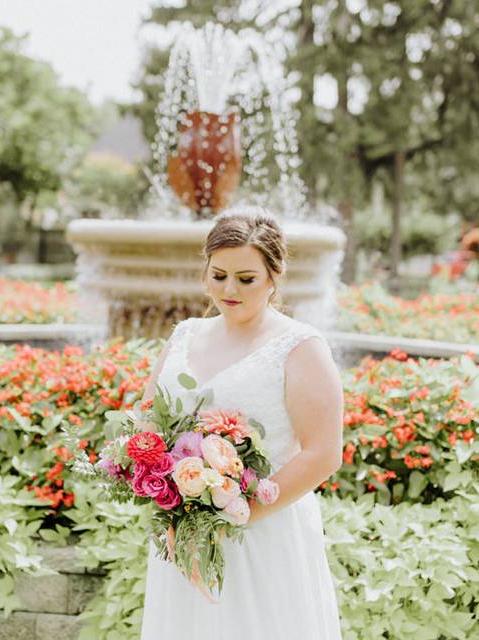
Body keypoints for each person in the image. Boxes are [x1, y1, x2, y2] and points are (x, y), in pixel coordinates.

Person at [139, 207, 344, 639]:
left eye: (246, 278)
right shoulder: (185, 334)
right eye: (218, 275)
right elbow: (148, 420)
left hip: (263, 533)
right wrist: (168, 492)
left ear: (274, 277)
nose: (229, 289)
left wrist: (236, 514)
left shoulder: (300, 347)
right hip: (183, 532)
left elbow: (323, 453)